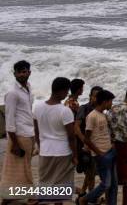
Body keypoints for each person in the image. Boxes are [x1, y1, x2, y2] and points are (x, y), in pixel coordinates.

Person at [33, 77, 78, 204]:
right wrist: (75, 155)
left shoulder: (37, 107)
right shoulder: (65, 111)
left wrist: (40, 146)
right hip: (62, 152)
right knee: (61, 187)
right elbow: (71, 136)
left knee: (45, 184)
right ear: (62, 91)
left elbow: (36, 131)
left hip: (45, 151)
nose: (67, 94)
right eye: (67, 91)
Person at [1, 60, 35, 204]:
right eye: (20, 71)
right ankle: (31, 196)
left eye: (25, 71)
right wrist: (14, 143)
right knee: (20, 168)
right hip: (19, 135)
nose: (23, 74)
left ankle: (9, 196)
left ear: (29, 72)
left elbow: (27, 112)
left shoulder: (28, 87)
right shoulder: (12, 93)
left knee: (21, 167)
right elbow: (9, 119)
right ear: (14, 73)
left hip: (29, 133)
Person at [79, 89, 118, 205]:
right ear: (105, 102)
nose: (111, 104)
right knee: (106, 184)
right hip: (101, 155)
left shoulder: (104, 115)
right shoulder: (92, 116)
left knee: (114, 185)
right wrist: (99, 153)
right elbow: (87, 138)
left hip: (110, 151)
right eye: (110, 101)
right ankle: (84, 199)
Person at [74, 85, 103, 194]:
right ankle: (89, 196)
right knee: (90, 173)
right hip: (84, 147)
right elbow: (76, 127)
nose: (95, 99)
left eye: (98, 96)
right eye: (94, 96)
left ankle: (84, 194)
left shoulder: (100, 111)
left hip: (95, 147)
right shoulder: (84, 108)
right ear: (90, 96)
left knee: (91, 172)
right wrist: (85, 142)